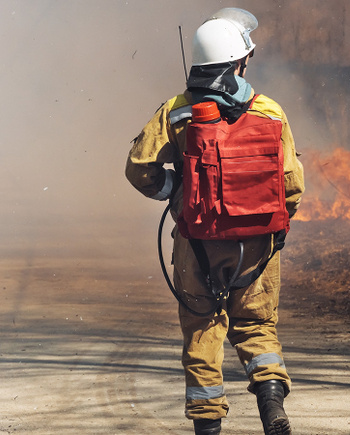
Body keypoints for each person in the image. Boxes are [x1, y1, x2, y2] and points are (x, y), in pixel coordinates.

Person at [125, 8, 304, 435]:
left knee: (204, 328)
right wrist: (273, 229)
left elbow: (138, 169)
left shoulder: (177, 110)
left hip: (197, 242)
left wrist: (174, 191)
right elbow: (292, 185)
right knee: (258, 326)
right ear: (240, 62)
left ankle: (207, 427)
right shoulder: (269, 112)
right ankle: (271, 404)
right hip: (258, 244)